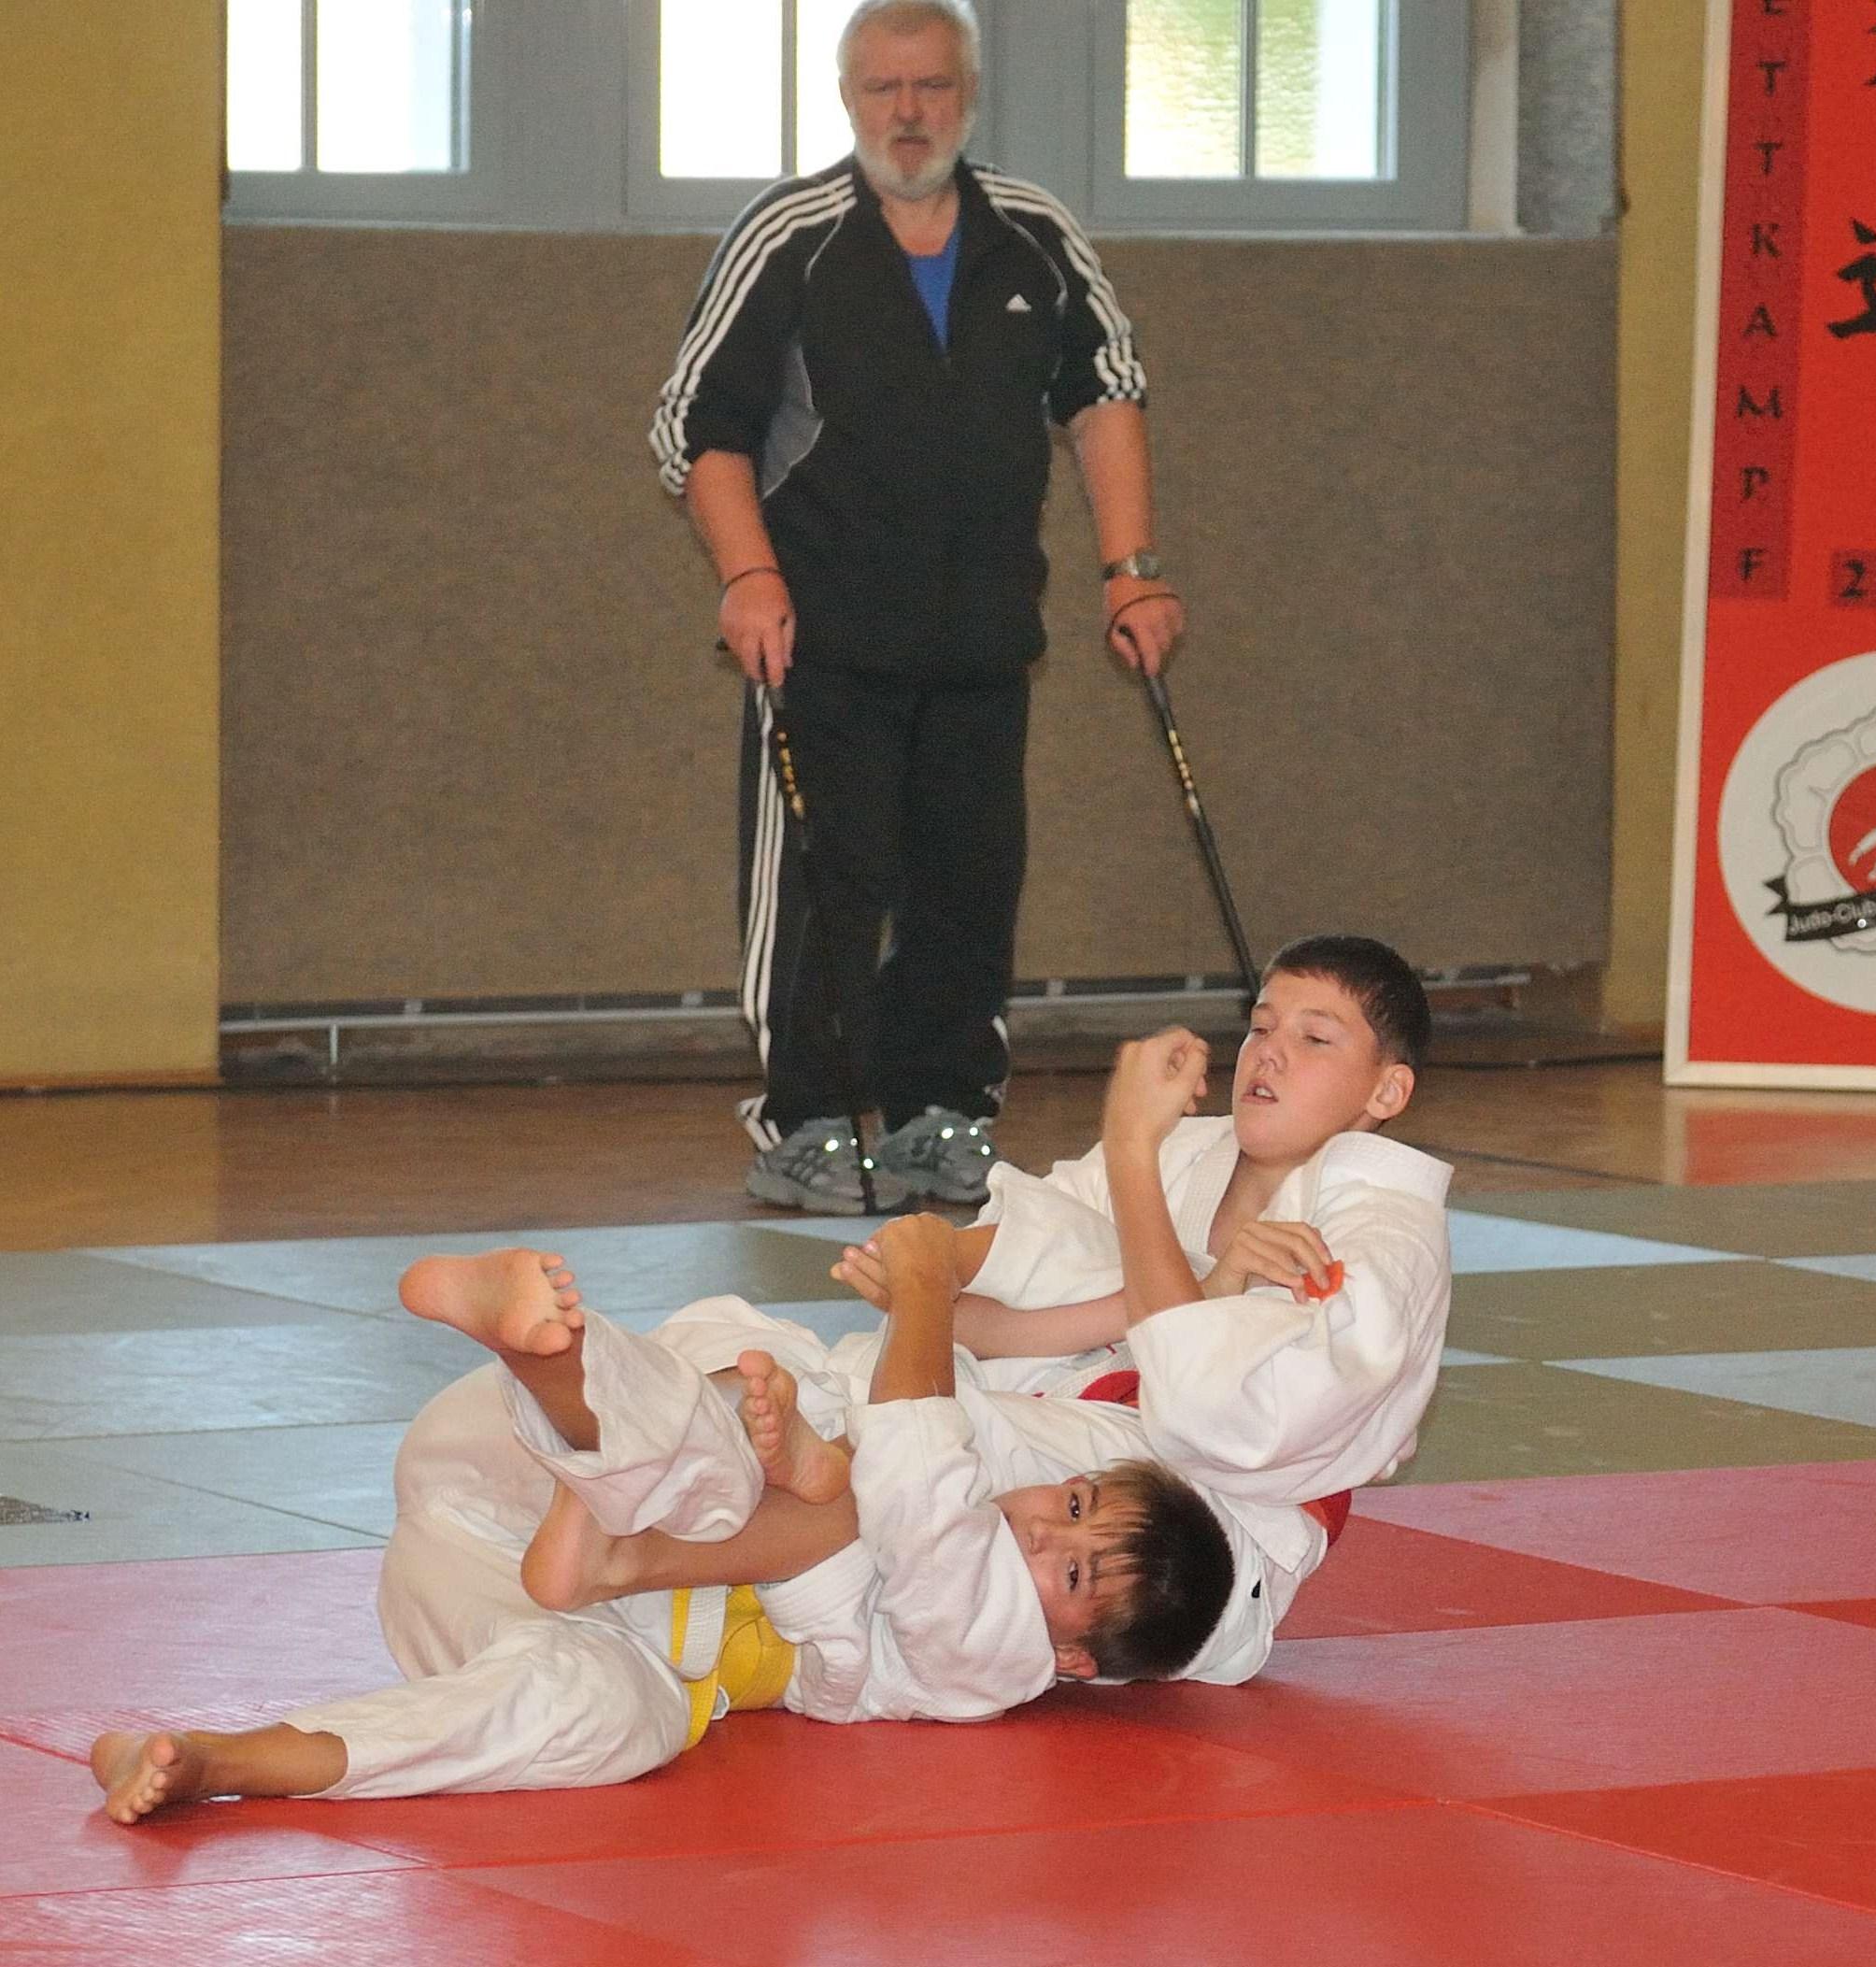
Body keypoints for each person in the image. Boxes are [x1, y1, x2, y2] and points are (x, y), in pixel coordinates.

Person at [90, 1239, 1231, 1824]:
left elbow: (927, 1487)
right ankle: (544, 1357)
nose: (1036, 1531)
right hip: (534, 1438)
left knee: (614, 1718)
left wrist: (920, 1295)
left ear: (1072, 1658)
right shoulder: (977, 1446)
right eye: (1068, 1507)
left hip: (516, 1584)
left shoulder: (996, 1657)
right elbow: (928, 1432)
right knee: (768, 1451)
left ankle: (216, 1758)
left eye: (1069, 1571)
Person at [648, 0, 1187, 1215]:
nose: (908, 112)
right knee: (825, 892)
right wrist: (748, 575)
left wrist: (1132, 568)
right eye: (883, 89)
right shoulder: (790, 236)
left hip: (982, 643)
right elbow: (695, 423)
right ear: (849, 99)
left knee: (967, 887)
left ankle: (942, 1113)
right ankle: (807, 1123)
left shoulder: (1035, 234)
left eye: (932, 87)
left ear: (968, 95)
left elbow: (1107, 388)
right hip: (820, 642)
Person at [663, 934, 1453, 1686]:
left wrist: (1131, 1151)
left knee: (934, 1446)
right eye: (1261, 1026)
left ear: (1387, 1089)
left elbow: (1207, 1410)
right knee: (760, 1353)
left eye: (1315, 1038)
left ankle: (645, 1565)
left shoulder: (1384, 1243)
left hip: (1191, 1540)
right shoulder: (1191, 1151)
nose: (1270, 1052)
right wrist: (932, 1277)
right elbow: (1007, 1301)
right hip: (1085, 1433)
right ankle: (697, 1509)